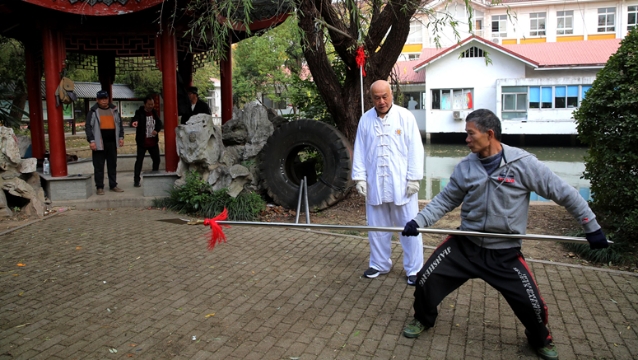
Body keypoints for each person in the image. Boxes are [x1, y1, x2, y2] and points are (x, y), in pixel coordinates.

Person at [400, 109, 609, 360]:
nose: (466, 139)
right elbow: (445, 200)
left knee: (533, 306)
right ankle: (423, 319)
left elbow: (565, 193)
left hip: (504, 252)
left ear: (489, 134)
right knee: (424, 280)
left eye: (470, 134)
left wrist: (592, 227)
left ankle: (540, 339)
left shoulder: (523, 164)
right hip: (466, 245)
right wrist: (418, 221)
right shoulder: (466, 167)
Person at [352, 80, 425, 286]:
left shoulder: (405, 117)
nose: (381, 101)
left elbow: (415, 150)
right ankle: (379, 263)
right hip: (375, 183)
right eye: (377, 97)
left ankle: (414, 268)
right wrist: (359, 177)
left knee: (409, 228)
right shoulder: (365, 120)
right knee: (376, 227)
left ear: (391, 95)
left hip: (402, 185)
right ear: (371, 97)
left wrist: (414, 178)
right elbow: (359, 150)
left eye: (385, 96)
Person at [85, 90, 125, 195]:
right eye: (101, 99)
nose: (104, 101)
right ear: (97, 100)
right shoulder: (93, 111)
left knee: (112, 165)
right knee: (98, 166)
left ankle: (113, 185)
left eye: (105, 98)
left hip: (112, 142)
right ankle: (99, 187)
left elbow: (120, 124)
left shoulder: (114, 110)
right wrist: (91, 141)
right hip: (99, 143)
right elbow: (88, 127)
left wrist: (121, 137)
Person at [131, 95, 163, 187]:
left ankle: (154, 176)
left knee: (156, 159)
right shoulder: (139, 112)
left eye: (152, 104)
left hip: (153, 142)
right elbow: (135, 118)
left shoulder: (154, 112)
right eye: (149, 104)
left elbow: (159, 123)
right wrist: (135, 122)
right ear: (145, 104)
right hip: (142, 142)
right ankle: (136, 180)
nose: (151, 106)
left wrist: (156, 130)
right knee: (139, 161)